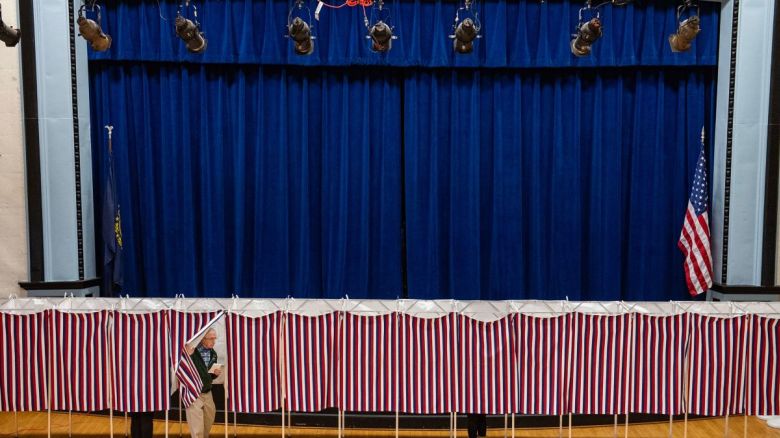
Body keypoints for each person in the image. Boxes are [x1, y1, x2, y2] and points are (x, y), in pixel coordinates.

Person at [184, 328, 221, 438]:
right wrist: (188, 357)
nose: (213, 341)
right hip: (193, 393)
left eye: (215, 338)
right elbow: (183, 370)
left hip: (207, 392)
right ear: (202, 339)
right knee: (197, 429)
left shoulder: (213, 354)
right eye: (211, 338)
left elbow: (208, 375)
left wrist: (214, 374)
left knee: (209, 419)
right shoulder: (192, 351)